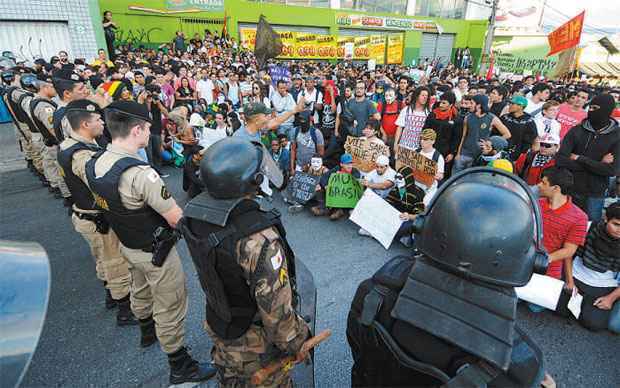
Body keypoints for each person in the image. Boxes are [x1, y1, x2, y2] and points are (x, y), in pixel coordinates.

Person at [347, 168, 548, 388]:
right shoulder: (521, 370)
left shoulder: (372, 294)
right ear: (530, 262)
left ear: (426, 228)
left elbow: (359, 352)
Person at [84, 100, 216, 384]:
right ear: (137, 130)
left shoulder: (94, 162)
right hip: (157, 252)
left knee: (139, 289)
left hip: (127, 245)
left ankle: (146, 330)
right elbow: (175, 218)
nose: (150, 133)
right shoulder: (141, 174)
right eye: (147, 128)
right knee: (170, 303)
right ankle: (180, 366)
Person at [179, 138, 311, 387]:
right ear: (253, 181)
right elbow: (276, 312)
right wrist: (296, 341)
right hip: (256, 347)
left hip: (222, 327)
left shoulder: (195, 213)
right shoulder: (258, 238)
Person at [58, 99, 136, 323]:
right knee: (114, 262)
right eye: (97, 119)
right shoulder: (81, 155)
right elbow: (99, 182)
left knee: (102, 259)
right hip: (96, 218)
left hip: (85, 215)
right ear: (84, 124)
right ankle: (124, 308)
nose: (102, 122)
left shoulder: (69, 145)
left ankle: (112, 295)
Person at [558, 201, 620, 333]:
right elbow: (568, 252)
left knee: (594, 324)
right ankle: (580, 303)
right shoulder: (589, 227)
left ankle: (584, 304)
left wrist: (611, 298)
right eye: (616, 224)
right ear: (605, 219)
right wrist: (569, 281)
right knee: (559, 309)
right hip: (575, 275)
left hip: (603, 285)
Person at [556, 94, 620, 222]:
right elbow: (561, 159)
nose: (591, 110)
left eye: (595, 107)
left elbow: (612, 170)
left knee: (589, 228)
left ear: (606, 109)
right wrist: (599, 163)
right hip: (569, 188)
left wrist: (579, 158)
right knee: (562, 223)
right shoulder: (577, 130)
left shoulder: (617, 136)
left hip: (595, 193)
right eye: (590, 107)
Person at [535, 167, 588, 298]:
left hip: (548, 271)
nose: (539, 185)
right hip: (522, 263)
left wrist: (542, 260)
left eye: (544, 183)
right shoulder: (535, 203)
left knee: (535, 307)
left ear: (556, 188)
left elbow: (569, 251)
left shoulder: (579, 217)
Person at [453, 94, 510, 174]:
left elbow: (507, 134)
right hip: (464, 154)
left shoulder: (492, 118)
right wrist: (458, 154)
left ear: (478, 105)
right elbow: (463, 136)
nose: (469, 106)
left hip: (479, 157)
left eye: (472, 103)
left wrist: (490, 143)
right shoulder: (467, 117)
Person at [312, 153, 361, 220]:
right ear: (341, 164)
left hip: (346, 197)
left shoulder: (355, 171)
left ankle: (338, 210)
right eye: (347, 164)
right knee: (318, 186)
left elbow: (356, 180)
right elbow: (324, 177)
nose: (349, 166)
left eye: (350, 163)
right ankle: (323, 207)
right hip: (336, 194)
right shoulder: (337, 168)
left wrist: (343, 175)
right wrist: (326, 185)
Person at [233, 100, 303, 143]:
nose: (268, 117)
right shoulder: (239, 138)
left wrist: (295, 110)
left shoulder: (258, 129)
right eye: (265, 115)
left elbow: (277, 121)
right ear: (256, 120)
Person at [423, 91, 458, 166]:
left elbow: (456, 138)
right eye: (440, 102)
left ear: (451, 104)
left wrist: (452, 153)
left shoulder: (456, 118)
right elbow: (425, 129)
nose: (441, 105)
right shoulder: (433, 114)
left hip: (445, 152)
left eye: (444, 103)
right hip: (429, 147)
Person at [394, 86, 430, 153]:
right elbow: (399, 127)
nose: (425, 98)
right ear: (417, 96)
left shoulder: (428, 113)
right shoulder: (406, 110)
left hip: (419, 149)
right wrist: (395, 144)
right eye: (423, 95)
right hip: (403, 146)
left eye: (427, 96)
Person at [500, 95, 537, 161]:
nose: (509, 105)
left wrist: (520, 156)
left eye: (512, 104)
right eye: (510, 103)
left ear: (520, 106)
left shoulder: (529, 121)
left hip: (516, 157)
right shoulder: (504, 117)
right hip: (499, 152)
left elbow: (529, 140)